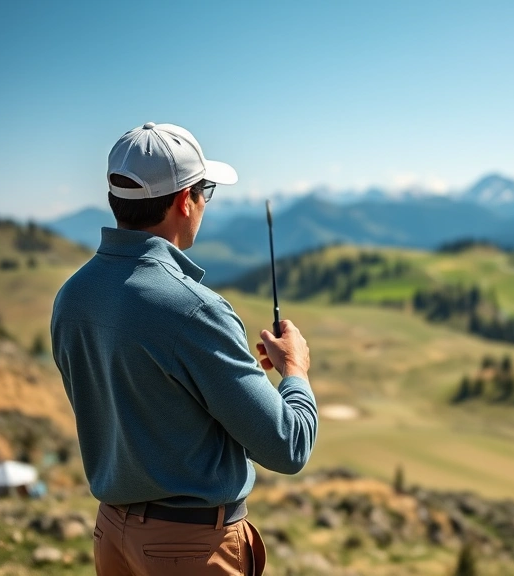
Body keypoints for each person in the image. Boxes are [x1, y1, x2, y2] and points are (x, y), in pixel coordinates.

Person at [51, 121, 318, 575]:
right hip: (189, 549)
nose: (204, 204)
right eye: (204, 191)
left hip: (112, 536)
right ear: (183, 200)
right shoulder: (194, 311)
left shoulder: (71, 296)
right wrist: (295, 371)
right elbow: (287, 446)